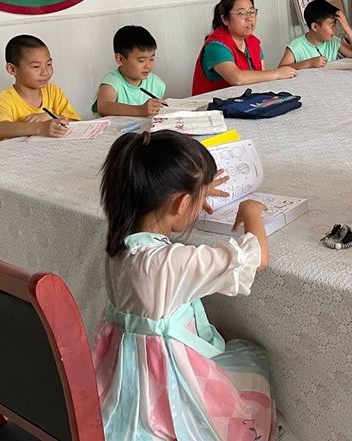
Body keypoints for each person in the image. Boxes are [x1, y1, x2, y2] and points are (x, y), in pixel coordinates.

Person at [94, 130, 275, 440]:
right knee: (252, 361)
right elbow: (256, 256)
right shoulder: (170, 262)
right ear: (180, 203)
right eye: (199, 197)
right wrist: (251, 212)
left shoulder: (121, 243)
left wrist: (194, 193)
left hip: (125, 378)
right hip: (166, 385)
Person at [192, 0, 297, 95]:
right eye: (241, 13)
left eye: (251, 12)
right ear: (225, 19)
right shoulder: (215, 46)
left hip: (245, 99)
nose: (249, 18)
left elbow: (262, 76)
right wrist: (276, 74)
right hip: (215, 103)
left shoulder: (253, 41)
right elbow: (237, 78)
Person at [0, 34, 80, 141]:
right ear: (12, 69)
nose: (45, 72)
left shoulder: (54, 91)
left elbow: (77, 124)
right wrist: (41, 127)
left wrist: (52, 117)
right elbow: (1, 129)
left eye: (49, 64)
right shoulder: (5, 98)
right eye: (36, 67)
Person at [93, 25, 167, 117]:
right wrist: (140, 110)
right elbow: (104, 107)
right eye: (141, 61)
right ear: (120, 59)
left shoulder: (157, 84)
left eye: (151, 59)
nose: (148, 65)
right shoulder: (112, 82)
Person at [278, 0, 352, 69]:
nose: (335, 30)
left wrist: (346, 27)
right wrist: (309, 63)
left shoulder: (333, 42)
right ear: (315, 27)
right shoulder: (297, 45)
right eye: (332, 25)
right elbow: (281, 69)